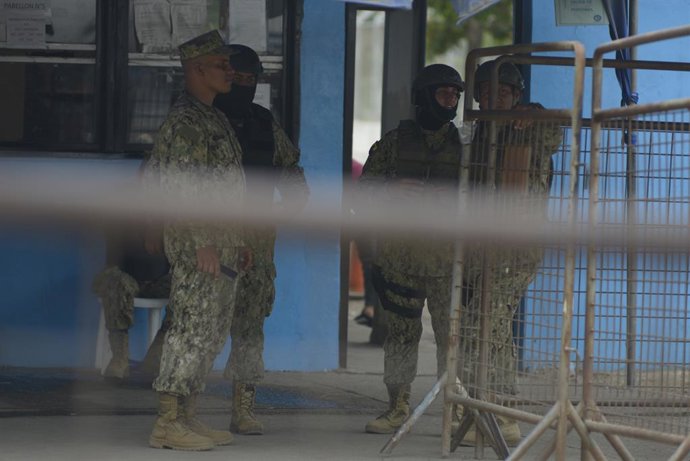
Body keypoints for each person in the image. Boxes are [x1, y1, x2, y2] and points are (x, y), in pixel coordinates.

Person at [143, 29, 248, 451]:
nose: (230, 71)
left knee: (210, 332)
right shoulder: (186, 121)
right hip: (198, 246)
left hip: (222, 245)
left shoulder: (214, 117)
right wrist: (203, 240)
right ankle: (167, 422)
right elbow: (182, 187)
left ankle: (187, 414)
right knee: (189, 330)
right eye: (222, 65)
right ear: (197, 69)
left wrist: (238, 239)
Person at [457, 58, 563, 446]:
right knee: (480, 322)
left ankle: (499, 410)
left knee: (487, 320)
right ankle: (480, 406)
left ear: (517, 95)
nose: (495, 97)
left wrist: (533, 114)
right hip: (478, 247)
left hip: (515, 247)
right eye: (487, 91)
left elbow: (554, 134)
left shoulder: (530, 125)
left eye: (504, 91)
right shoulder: (479, 132)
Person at [358, 63, 465, 434]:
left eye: (455, 94)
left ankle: (457, 410)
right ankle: (397, 406)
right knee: (401, 336)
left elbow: (486, 197)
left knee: (452, 338)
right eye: (443, 93)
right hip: (401, 261)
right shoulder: (393, 142)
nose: (450, 100)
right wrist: (391, 188)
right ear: (424, 97)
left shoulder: (465, 145)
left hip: (447, 262)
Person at [213, 43, 309, 435]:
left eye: (252, 80)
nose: (244, 85)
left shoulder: (264, 123)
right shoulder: (202, 120)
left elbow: (293, 177)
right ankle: (179, 410)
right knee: (202, 324)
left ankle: (243, 406)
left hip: (256, 247)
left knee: (250, 326)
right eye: (237, 77)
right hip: (209, 241)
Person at [91, 218, 171, 380]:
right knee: (115, 281)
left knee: (191, 289)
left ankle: (156, 357)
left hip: (159, 280)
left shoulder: (168, 219)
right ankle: (119, 358)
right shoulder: (122, 213)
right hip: (124, 276)